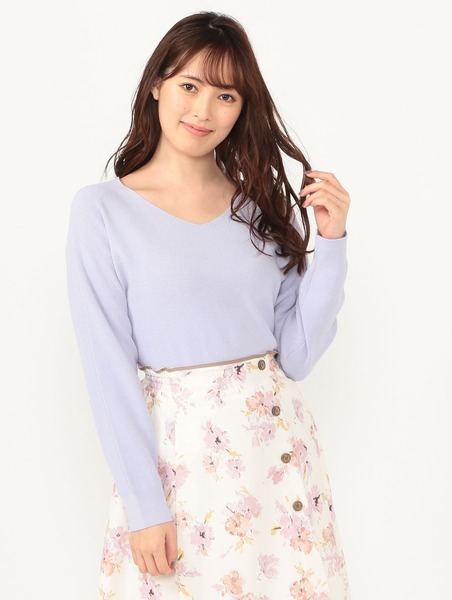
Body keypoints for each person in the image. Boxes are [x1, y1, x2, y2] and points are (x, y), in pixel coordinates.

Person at [65, 10, 351, 600]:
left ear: (242, 107)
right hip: (180, 470)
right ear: (157, 85)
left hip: (276, 464)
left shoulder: (262, 208)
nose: (203, 110)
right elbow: (106, 369)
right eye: (190, 86)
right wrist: (144, 505)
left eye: (225, 95)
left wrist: (332, 242)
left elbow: (296, 357)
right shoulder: (102, 212)